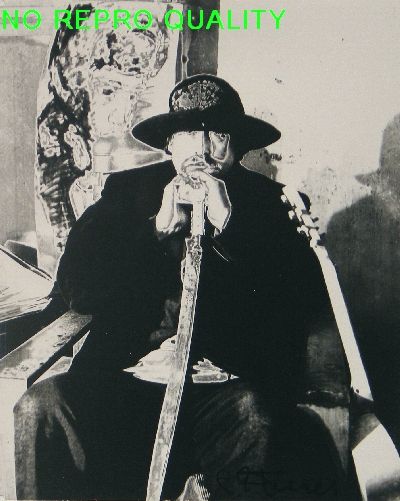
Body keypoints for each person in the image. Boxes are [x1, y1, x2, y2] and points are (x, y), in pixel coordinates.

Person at [14, 74, 343, 500]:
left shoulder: (275, 204)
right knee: (42, 407)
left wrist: (231, 228)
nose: (201, 150)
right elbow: (78, 286)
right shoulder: (126, 193)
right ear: (169, 144)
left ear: (239, 147)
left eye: (218, 135)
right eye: (187, 135)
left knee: (260, 419)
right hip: (130, 383)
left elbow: (298, 306)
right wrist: (155, 231)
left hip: (227, 393)